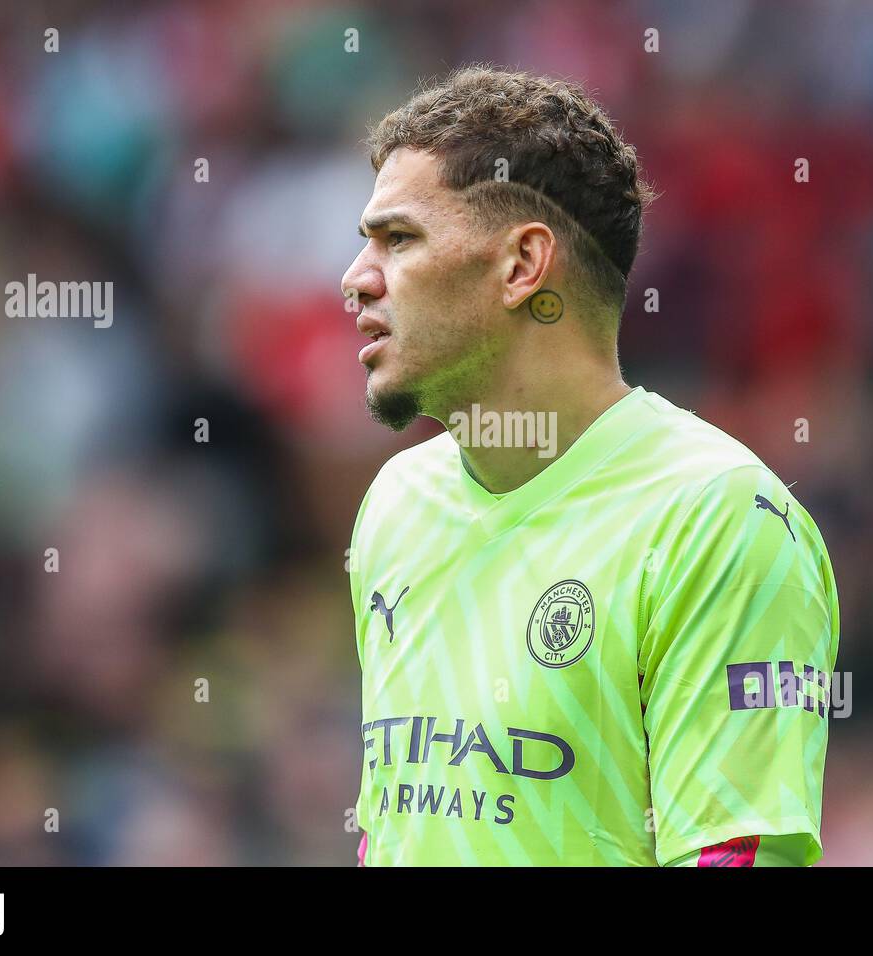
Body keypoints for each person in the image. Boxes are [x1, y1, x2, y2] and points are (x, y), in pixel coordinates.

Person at [340, 65, 839, 866]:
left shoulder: (714, 518)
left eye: (398, 239)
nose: (356, 278)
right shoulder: (396, 505)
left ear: (521, 266)